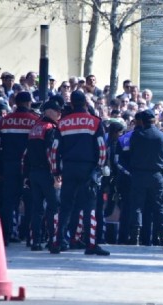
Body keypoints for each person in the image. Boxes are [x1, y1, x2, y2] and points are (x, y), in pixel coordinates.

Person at [50, 90, 109, 256]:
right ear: (85, 103)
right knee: (89, 207)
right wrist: (98, 168)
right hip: (88, 169)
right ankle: (91, 245)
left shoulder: (62, 123)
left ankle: (56, 242)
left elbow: (54, 150)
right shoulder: (95, 122)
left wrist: (56, 171)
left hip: (68, 168)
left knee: (65, 207)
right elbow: (102, 148)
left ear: (71, 104)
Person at [0, 91, 39, 245]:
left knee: (8, 202)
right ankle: (27, 236)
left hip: (9, 166)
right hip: (29, 167)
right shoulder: (35, 121)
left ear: (16, 102)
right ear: (28, 103)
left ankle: (5, 237)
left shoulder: (4, 121)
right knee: (31, 202)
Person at [22, 96, 62, 251]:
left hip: (34, 173)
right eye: (57, 111)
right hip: (47, 173)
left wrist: (26, 175)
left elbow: (26, 154)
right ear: (49, 111)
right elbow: (51, 153)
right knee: (53, 207)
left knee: (36, 208)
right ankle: (53, 241)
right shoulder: (50, 128)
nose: (59, 114)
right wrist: (55, 174)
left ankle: (35, 241)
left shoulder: (35, 128)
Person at [128, 110, 163, 246]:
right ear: (154, 120)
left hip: (139, 174)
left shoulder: (136, 135)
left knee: (137, 206)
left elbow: (131, 153)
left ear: (142, 121)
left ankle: (135, 237)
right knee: (160, 207)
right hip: (157, 175)